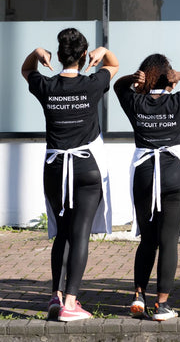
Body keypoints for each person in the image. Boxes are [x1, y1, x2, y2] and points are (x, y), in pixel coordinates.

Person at [22, 28, 119, 322]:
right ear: (83, 55)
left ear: (59, 55)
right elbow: (113, 65)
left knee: (62, 233)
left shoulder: (46, 85)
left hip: (54, 167)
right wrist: (103, 52)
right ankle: (71, 303)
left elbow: (26, 69)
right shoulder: (92, 83)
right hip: (87, 167)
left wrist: (37, 53)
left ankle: (56, 295)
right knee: (80, 235)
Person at [114, 54, 180, 321]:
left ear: (145, 78)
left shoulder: (136, 102)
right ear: (170, 79)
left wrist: (133, 79)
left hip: (144, 175)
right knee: (168, 242)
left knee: (148, 240)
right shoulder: (179, 101)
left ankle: (138, 296)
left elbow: (118, 86)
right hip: (174, 178)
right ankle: (162, 305)